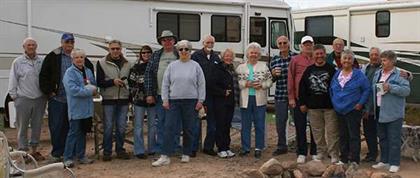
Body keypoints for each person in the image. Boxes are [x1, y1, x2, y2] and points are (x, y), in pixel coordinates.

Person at [39, 33, 94, 162]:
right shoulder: (53, 56)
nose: (69, 44)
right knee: (58, 127)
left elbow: (92, 82)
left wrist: (90, 88)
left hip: (80, 103)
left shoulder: (85, 64)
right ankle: (59, 154)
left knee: (79, 130)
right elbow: (44, 75)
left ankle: (78, 154)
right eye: (67, 42)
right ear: (62, 42)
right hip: (58, 98)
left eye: (71, 42)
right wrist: (49, 92)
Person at [152, 40, 205, 166]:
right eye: (181, 49)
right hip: (174, 101)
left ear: (190, 51)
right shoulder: (172, 66)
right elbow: (165, 83)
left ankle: (186, 153)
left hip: (191, 101)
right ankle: (165, 155)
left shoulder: (195, 66)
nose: (184, 51)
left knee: (188, 128)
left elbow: (201, 84)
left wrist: (200, 100)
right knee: (169, 127)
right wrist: (165, 99)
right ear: (178, 51)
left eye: (186, 49)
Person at [298, 44, 339, 163]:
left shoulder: (331, 69)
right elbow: (302, 88)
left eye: (321, 53)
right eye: (317, 54)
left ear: (325, 54)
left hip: (330, 107)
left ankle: (334, 154)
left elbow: (337, 87)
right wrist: (302, 103)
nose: (319, 56)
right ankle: (321, 153)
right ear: (313, 55)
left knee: (332, 132)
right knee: (317, 133)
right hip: (313, 107)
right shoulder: (309, 70)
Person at [371, 50, 410, 173]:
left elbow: (406, 91)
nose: (382, 62)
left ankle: (394, 163)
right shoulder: (378, 73)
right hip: (379, 110)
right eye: (382, 60)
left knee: (394, 139)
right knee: (382, 138)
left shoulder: (400, 75)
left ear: (393, 61)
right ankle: (384, 160)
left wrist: (391, 87)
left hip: (394, 112)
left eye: (385, 60)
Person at [8, 37, 47, 161]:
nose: (31, 47)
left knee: (37, 126)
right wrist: (14, 96)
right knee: (22, 127)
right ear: (24, 47)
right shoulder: (18, 62)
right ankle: (23, 152)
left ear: (36, 47)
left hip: (39, 98)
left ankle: (34, 151)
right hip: (23, 98)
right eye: (28, 45)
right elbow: (13, 80)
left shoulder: (42, 61)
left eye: (33, 45)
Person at [330, 49, 371, 165]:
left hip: (353, 109)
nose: (346, 60)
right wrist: (334, 101)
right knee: (342, 135)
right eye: (344, 58)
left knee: (354, 135)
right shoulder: (337, 73)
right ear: (341, 60)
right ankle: (343, 158)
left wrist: (361, 103)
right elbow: (332, 89)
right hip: (339, 110)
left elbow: (367, 89)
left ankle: (354, 160)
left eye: (349, 58)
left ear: (353, 61)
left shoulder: (358, 74)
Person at [144, 30, 180, 154]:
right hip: (159, 94)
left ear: (174, 41)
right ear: (161, 42)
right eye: (164, 40)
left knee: (175, 122)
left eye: (170, 39)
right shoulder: (156, 55)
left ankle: (174, 147)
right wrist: (149, 93)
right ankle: (161, 147)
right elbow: (148, 74)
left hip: (177, 96)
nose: (167, 42)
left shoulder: (179, 54)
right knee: (161, 123)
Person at [236, 42, 272, 159]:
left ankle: (258, 148)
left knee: (259, 124)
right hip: (245, 99)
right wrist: (245, 83)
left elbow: (270, 81)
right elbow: (237, 83)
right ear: (247, 54)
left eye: (256, 53)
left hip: (259, 99)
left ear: (259, 54)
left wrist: (261, 85)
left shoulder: (264, 66)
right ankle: (246, 148)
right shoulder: (241, 67)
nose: (253, 55)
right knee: (245, 125)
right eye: (251, 52)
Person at [96, 40, 131, 161]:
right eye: (113, 49)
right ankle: (107, 152)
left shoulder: (128, 63)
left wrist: (130, 96)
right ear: (109, 49)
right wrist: (112, 82)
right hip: (109, 99)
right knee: (108, 127)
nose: (115, 51)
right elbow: (99, 82)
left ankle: (120, 150)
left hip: (124, 99)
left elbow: (131, 82)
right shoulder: (101, 63)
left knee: (121, 127)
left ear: (121, 49)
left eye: (117, 48)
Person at [62, 49, 96, 167]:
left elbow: (94, 85)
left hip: (87, 109)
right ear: (72, 59)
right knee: (73, 133)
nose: (79, 59)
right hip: (76, 109)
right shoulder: (69, 73)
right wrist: (89, 90)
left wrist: (92, 89)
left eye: (82, 57)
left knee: (83, 133)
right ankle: (67, 158)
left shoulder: (88, 71)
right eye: (77, 57)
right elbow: (73, 90)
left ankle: (81, 156)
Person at [287, 36, 317, 163]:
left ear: (313, 45)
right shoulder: (295, 60)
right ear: (301, 46)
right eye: (305, 44)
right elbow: (290, 78)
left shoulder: (317, 59)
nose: (308, 46)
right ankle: (302, 152)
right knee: (300, 126)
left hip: (314, 98)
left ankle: (315, 152)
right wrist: (291, 98)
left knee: (315, 126)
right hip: (299, 98)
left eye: (310, 44)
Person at [191, 35, 221, 156]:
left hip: (213, 95)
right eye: (208, 42)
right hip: (198, 94)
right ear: (203, 43)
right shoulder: (196, 56)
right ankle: (193, 148)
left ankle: (208, 147)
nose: (210, 44)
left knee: (212, 123)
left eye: (212, 42)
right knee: (196, 122)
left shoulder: (216, 57)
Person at [128, 45, 158, 159]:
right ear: (140, 54)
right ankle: (139, 150)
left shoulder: (155, 67)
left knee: (152, 125)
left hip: (153, 100)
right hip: (139, 101)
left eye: (148, 53)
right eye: (144, 53)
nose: (146, 55)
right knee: (138, 126)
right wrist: (135, 96)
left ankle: (152, 148)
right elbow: (131, 83)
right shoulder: (135, 67)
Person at [269, 35, 296, 156]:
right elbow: (271, 80)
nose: (282, 45)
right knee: (280, 122)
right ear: (277, 45)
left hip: (295, 95)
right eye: (280, 43)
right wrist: (273, 74)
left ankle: (300, 145)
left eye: (285, 43)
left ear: (289, 43)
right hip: (280, 94)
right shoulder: (274, 59)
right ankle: (281, 146)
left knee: (298, 121)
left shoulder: (295, 57)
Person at [211, 48, 237, 158]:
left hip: (230, 102)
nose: (229, 58)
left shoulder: (232, 68)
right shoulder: (218, 68)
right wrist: (222, 92)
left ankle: (227, 147)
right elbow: (212, 85)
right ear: (222, 57)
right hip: (220, 101)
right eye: (226, 56)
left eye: (230, 56)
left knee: (227, 125)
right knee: (220, 125)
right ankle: (221, 148)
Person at [360, 47, 382, 162]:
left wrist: (408, 75)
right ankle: (372, 154)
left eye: (376, 55)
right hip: (367, 106)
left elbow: (402, 73)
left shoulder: (384, 68)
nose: (374, 57)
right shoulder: (365, 68)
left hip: (379, 106)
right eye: (372, 55)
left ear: (380, 56)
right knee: (368, 132)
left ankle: (385, 156)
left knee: (382, 133)